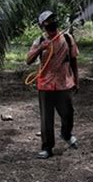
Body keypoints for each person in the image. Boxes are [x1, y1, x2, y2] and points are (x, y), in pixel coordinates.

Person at [26, 10, 79, 159]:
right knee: (46, 119)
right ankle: (47, 148)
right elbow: (28, 60)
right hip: (45, 85)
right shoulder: (39, 40)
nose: (52, 22)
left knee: (68, 114)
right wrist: (41, 48)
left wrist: (76, 80)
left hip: (64, 84)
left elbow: (74, 61)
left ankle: (66, 134)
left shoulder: (68, 39)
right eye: (47, 21)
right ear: (42, 25)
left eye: (53, 19)